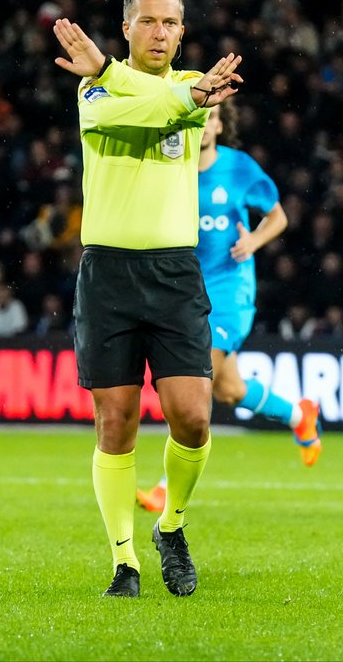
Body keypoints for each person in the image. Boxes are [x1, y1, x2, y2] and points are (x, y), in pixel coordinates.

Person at [52, 0, 243, 599]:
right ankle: (124, 563)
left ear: (182, 32)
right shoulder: (96, 87)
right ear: (127, 28)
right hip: (107, 273)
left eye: (170, 24)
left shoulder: (193, 86)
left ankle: (172, 525)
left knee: (192, 417)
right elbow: (141, 108)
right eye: (149, 22)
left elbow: (176, 100)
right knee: (117, 423)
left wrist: (193, 97)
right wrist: (108, 69)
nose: (160, 33)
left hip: (173, 273)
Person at [135, 102, 322, 514]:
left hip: (230, 291)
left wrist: (254, 241)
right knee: (230, 390)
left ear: (220, 125)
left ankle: (167, 486)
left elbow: (278, 217)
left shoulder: (239, 168)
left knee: (194, 379)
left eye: (211, 119)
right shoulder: (173, 167)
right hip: (187, 290)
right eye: (197, 118)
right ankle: (299, 415)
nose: (203, 125)